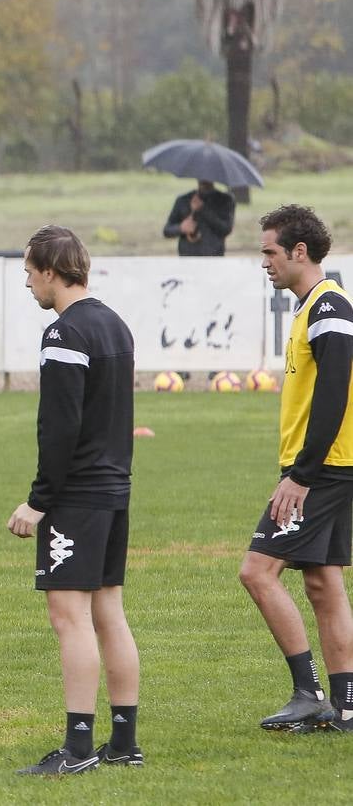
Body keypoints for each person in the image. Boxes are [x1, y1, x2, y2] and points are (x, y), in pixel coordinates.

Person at [8, 225, 142, 775]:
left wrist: (39, 500)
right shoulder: (115, 324)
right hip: (114, 490)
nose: (28, 285)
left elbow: (60, 425)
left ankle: (79, 749)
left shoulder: (65, 333)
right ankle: (125, 742)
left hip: (78, 495)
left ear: (49, 270)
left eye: (28, 274)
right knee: (108, 609)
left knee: (70, 616)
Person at [239, 204, 353, 734]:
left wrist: (301, 474)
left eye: (269, 251)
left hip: (322, 470)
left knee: (258, 572)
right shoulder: (314, 307)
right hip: (328, 466)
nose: (264, 262)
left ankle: (308, 694)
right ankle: (347, 706)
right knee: (323, 582)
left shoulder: (327, 307)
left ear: (298, 252)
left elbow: (334, 392)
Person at [162, 180, 236, 256]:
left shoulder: (225, 200)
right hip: (187, 257)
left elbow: (226, 229)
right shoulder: (183, 200)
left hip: (214, 257)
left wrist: (203, 209)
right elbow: (167, 230)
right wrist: (180, 228)